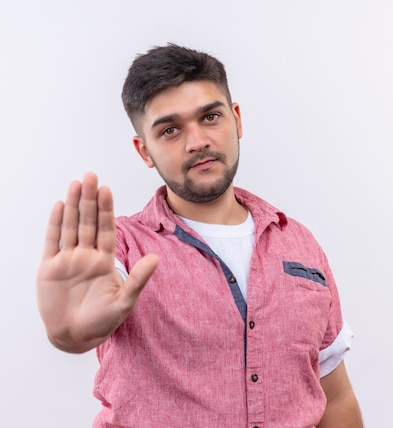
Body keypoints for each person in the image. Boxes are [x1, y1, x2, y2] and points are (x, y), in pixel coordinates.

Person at [37, 43, 363, 428]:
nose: (197, 142)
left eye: (210, 117)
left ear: (236, 119)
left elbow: (336, 397)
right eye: (170, 129)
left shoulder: (300, 243)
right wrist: (68, 334)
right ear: (145, 151)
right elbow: (84, 317)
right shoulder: (122, 247)